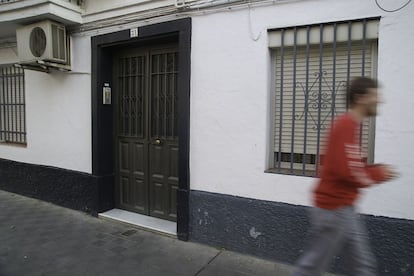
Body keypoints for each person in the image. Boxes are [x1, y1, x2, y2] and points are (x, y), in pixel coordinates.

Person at [291, 77, 398, 276]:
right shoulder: (346, 125)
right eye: (375, 94)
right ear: (360, 98)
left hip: (343, 207)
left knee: (362, 265)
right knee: (312, 267)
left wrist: (374, 171)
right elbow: (348, 171)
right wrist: (379, 173)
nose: (380, 100)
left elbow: (348, 166)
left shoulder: (351, 125)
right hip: (333, 210)